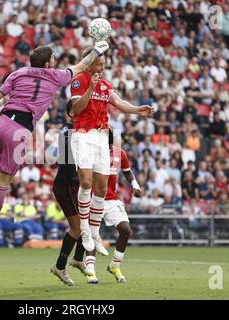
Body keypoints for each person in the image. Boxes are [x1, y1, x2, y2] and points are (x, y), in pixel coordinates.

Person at [0, 41, 110, 247]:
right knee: (2, 182)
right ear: (47, 63)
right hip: (19, 131)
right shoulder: (56, 76)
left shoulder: (17, 73)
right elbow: (81, 65)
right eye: (52, 58)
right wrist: (98, 49)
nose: (54, 60)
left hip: (1, 122)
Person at [69, 46, 153, 254]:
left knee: (100, 189)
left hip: (101, 137)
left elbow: (119, 103)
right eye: (98, 64)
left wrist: (137, 110)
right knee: (86, 183)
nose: (102, 68)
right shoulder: (78, 81)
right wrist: (91, 88)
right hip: (83, 135)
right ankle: (86, 230)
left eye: (104, 64)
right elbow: (76, 109)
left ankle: (95, 233)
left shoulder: (106, 86)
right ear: (88, 64)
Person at [82, 131, 142, 284]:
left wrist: (135, 185)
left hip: (112, 200)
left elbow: (128, 172)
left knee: (126, 230)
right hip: (94, 199)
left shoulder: (119, 153)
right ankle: (91, 271)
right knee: (91, 234)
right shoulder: (91, 154)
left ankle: (115, 265)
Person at [50, 101, 93, 286]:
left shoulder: (81, 131)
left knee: (86, 225)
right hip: (68, 185)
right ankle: (63, 265)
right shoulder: (68, 130)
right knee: (80, 228)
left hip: (73, 184)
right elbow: (67, 157)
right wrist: (77, 180)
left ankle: (74, 260)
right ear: (70, 114)